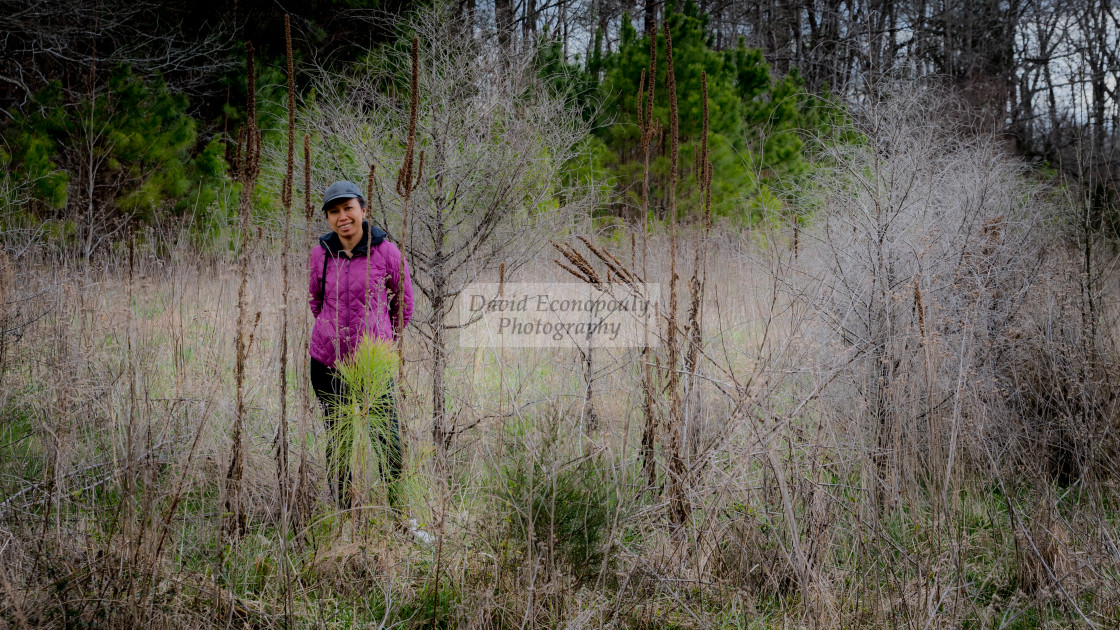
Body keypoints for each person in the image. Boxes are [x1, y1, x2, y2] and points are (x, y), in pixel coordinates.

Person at [308, 180, 413, 510]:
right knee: (339, 442)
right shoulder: (320, 254)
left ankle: (399, 516)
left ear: (363, 211)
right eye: (334, 211)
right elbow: (316, 300)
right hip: (327, 362)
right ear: (328, 218)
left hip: (373, 364)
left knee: (387, 440)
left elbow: (403, 303)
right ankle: (345, 514)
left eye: (348, 208)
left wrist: (381, 340)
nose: (342, 217)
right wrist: (332, 332)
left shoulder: (387, 252)